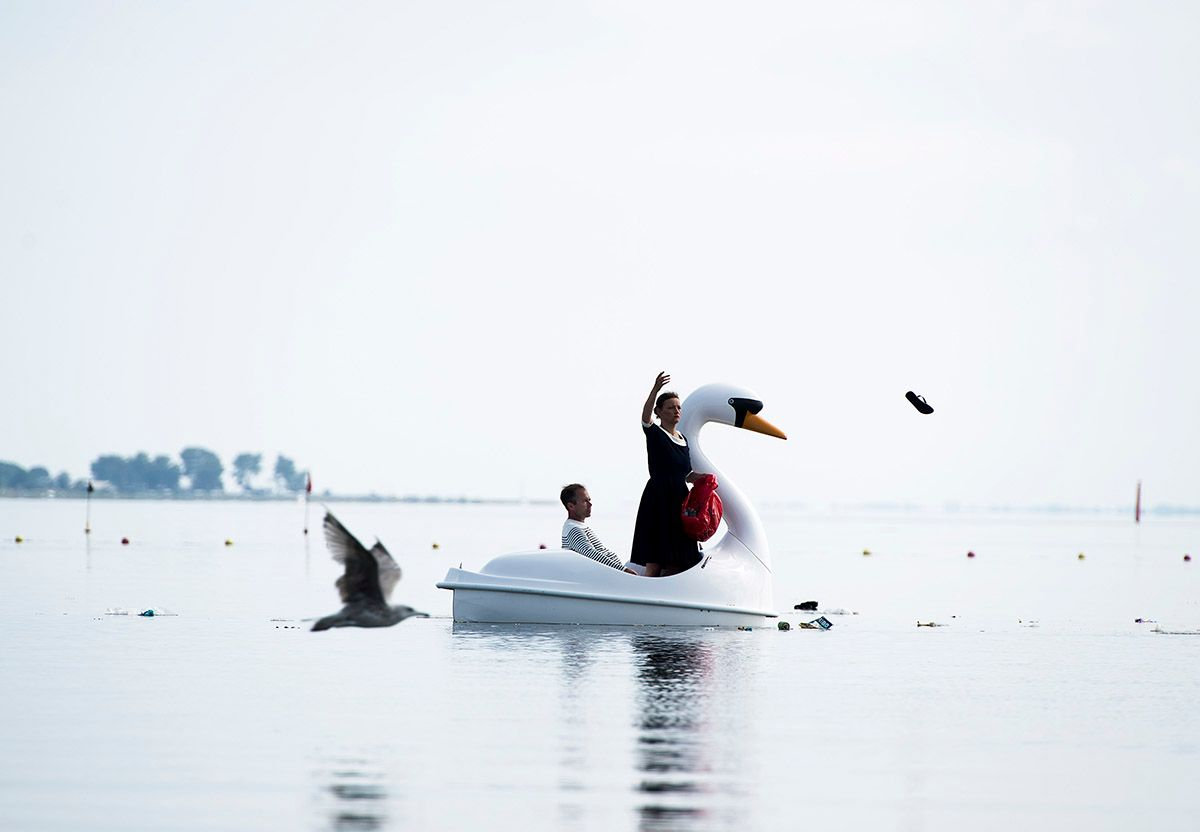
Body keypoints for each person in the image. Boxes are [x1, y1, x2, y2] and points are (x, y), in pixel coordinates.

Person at [630, 372, 701, 577]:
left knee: (678, 559)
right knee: (655, 558)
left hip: (679, 498)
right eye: (670, 407)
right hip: (659, 498)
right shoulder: (655, 434)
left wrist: (700, 479)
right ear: (659, 412)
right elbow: (645, 418)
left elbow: (684, 473)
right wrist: (655, 389)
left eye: (678, 407)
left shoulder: (683, 439)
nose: (676, 411)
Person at [560, 484, 638, 573]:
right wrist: (624, 570)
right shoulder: (573, 529)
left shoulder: (578, 526)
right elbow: (591, 554)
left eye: (589, 500)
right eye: (585, 501)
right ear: (571, 506)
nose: (590, 504)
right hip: (609, 575)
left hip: (614, 572)